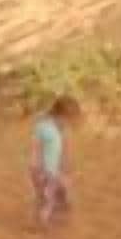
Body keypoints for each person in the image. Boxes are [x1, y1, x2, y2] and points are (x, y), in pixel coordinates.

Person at [30, 94, 77, 227]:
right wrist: (35, 166)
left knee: (63, 195)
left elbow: (64, 149)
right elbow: (36, 147)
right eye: (67, 119)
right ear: (59, 115)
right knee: (48, 199)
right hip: (46, 170)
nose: (68, 123)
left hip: (55, 170)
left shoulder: (59, 128)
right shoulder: (45, 128)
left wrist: (66, 166)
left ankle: (52, 216)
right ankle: (42, 221)